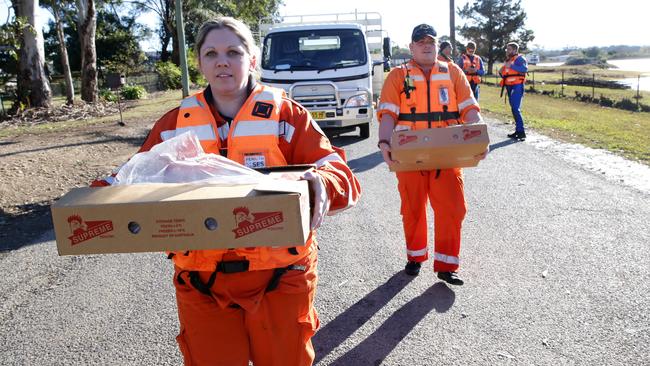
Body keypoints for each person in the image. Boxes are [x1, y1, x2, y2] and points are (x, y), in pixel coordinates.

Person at [92, 17, 361, 366]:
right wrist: (88, 203)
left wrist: (319, 183)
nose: (222, 61)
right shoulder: (174, 124)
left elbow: (342, 175)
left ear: (251, 59)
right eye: (211, 53)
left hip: (282, 277)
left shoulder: (287, 116)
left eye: (233, 52)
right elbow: (128, 177)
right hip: (201, 281)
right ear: (200, 63)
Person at [376, 24, 486, 286]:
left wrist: (480, 136)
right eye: (420, 41)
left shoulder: (453, 73)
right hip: (409, 155)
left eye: (431, 41)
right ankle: (415, 257)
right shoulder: (397, 76)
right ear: (412, 47)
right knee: (412, 209)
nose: (426, 45)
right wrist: (383, 143)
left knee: (453, 208)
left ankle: (447, 265)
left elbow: (470, 110)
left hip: (446, 155)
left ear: (437, 46)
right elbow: (388, 114)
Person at [499, 42, 528, 141]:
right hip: (509, 86)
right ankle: (518, 131)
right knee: (513, 109)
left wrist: (511, 66)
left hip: (517, 86)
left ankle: (522, 132)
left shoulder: (520, 59)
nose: (507, 51)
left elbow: (524, 69)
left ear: (515, 50)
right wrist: (502, 71)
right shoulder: (509, 60)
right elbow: (505, 73)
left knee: (516, 108)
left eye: (509, 49)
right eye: (507, 49)